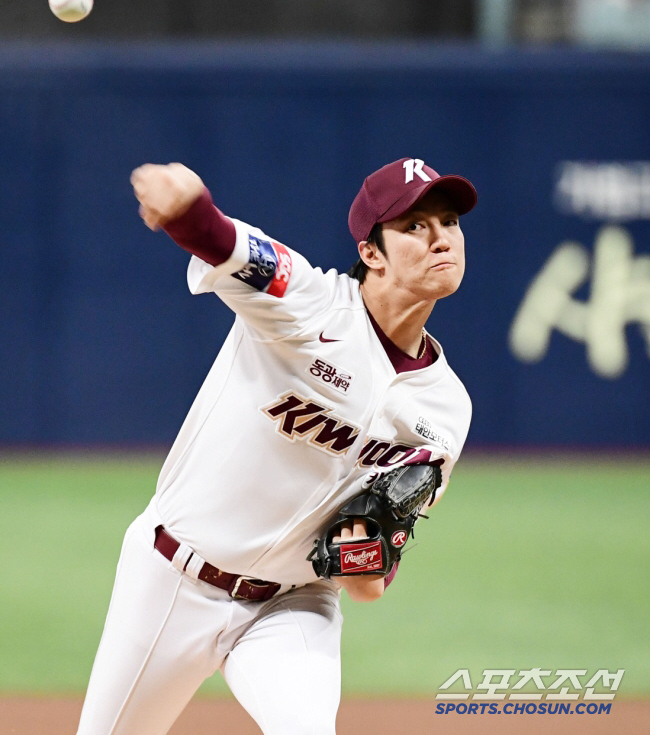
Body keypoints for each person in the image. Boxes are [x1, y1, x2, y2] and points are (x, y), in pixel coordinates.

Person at [76, 157, 477, 735]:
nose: (442, 238)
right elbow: (225, 242)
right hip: (172, 577)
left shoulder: (446, 409)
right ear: (371, 254)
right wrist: (186, 207)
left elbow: (370, 580)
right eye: (415, 226)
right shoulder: (310, 304)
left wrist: (367, 558)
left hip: (291, 603)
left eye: (450, 222)